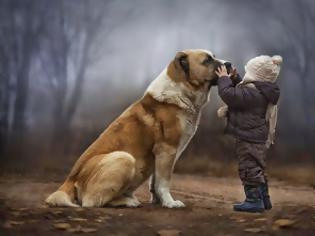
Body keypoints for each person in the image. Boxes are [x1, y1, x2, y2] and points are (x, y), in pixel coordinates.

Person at [215, 55, 282, 213]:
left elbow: (230, 95)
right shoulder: (261, 91)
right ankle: (264, 198)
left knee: (248, 167)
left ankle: (254, 200)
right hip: (256, 136)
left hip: (248, 137)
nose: (246, 75)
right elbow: (243, 92)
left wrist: (224, 79)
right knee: (257, 167)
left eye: (248, 72)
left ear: (255, 76)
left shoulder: (252, 94)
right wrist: (235, 78)